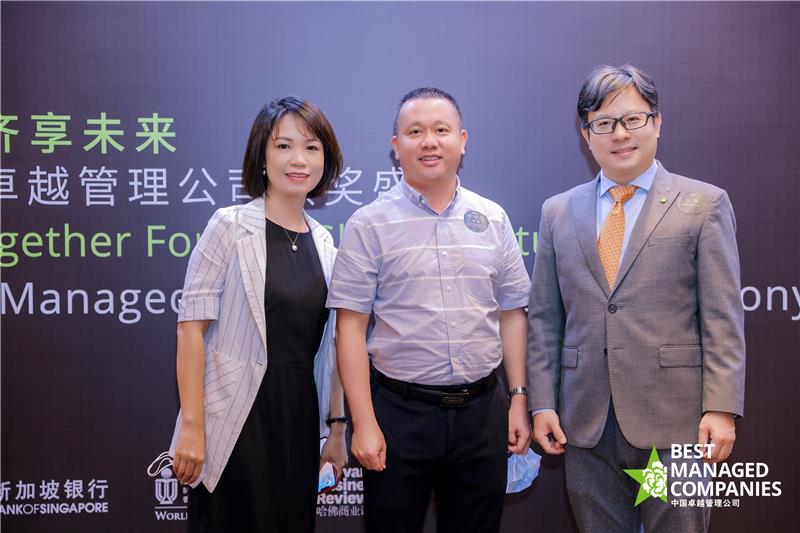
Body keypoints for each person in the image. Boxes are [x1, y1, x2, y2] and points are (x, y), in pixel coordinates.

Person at [527, 64, 746, 532]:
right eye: (604, 123)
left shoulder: (704, 204)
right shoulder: (558, 211)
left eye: (632, 119)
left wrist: (722, 407)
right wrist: (542, 403)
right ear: (586, 134)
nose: (620, 134)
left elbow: (722, 318)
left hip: (676, 424)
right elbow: (545, 319)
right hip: (586, 424)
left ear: (657, 122)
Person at [327, 87, 531, 533]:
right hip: (399, 416)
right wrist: (364, 423)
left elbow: (512, 312)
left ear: (463, 140)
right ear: (396, 146)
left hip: (483, 414)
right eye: (415, 132)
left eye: (441, 130)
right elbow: (350, 330)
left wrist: (518, 398)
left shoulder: (493, 218)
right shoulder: (369, 223)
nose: (429, 142)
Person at [168, 95, 348, 532]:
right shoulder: (229, 227)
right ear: (262, 157)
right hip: (232, 419)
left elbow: (335, 349)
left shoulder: (327, 245)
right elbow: (190, 330)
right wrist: (192, 424)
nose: (299, 159)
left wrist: (337, 429)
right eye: (284, 146)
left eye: (311, 147)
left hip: (298, 421)